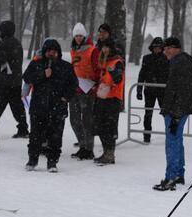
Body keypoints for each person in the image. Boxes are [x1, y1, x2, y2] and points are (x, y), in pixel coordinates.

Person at [153, 37, 192, 191]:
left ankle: (171, 177)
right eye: (165, 48)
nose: (165, 51)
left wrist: (175, 114)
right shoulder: (183, 61)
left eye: (169, 48)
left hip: (176, 110)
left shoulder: (179, 63)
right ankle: (179, 174)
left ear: (177, 49)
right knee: (176, 141)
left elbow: (182, 90)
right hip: (179, 108)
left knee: (172, 143)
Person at [23, 39, 78, 172]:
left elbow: (73, 84)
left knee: (55, 136)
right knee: (35, 135)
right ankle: (32, 159)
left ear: (58, 52)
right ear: (44, 51)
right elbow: (27, 78)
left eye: (54, 51)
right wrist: (42, 74)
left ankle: (52, 161)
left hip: (57, 108)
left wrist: (66, 97)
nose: (51, 53)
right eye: (48, 50)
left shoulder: (66, 66)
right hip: (38, 107)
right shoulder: (36, 64)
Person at [0, 20, 29, 138]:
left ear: (5, 31)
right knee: (16, 106)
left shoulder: (3, 44)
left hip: (5, 81)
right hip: (15, 80)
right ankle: (23, 128)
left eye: (1, 30)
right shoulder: (17, 43)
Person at [69, 23, 101, 160]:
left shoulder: (92, 50)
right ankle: (82, 145)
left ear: (85, 36)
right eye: (76, 35)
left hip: (88, 89)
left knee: (87, 120)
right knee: (74, 119)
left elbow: (98, 69)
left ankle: (89, 149)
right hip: (75, 87)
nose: (78, 38)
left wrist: (96, 85)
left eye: (80, 35)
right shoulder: (73, 49)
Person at [92, 38, 125, 165]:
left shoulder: (117, 62)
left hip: (112, 99)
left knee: (109, 127)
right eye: (103, 48)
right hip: (102, 97)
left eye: (107, 47)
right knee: (100, 126)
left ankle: (110, 154)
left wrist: (112, 74)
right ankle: (106, 152)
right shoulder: (103, 62)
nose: (104, 50)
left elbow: (117, 80)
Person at [137, 37, 169, 143]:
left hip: (163, 91)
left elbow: (170, 76)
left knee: (166, 114)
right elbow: (142, 74)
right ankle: (147, 136)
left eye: (159, 48)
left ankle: (170, 135)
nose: (157, 49)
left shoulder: (166, 59)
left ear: (162, 48)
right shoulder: (147, 58)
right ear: (152, 48)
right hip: (149, 90)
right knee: (148, 113)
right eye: (155, 47)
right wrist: (139, 90)